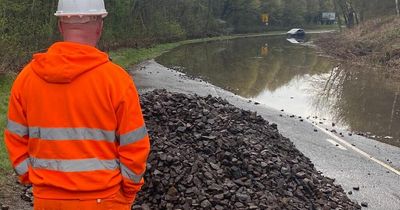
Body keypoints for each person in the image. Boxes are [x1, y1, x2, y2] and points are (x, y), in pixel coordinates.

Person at [4, 0, 150, 209]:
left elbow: (15, 138)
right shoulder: (117, 81)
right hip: (105, 199)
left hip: (47, 200)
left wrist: (32, 177)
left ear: (60, 25)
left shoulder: (26, 78)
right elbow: (135, 146)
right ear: (99, 26)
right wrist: (127, 193)